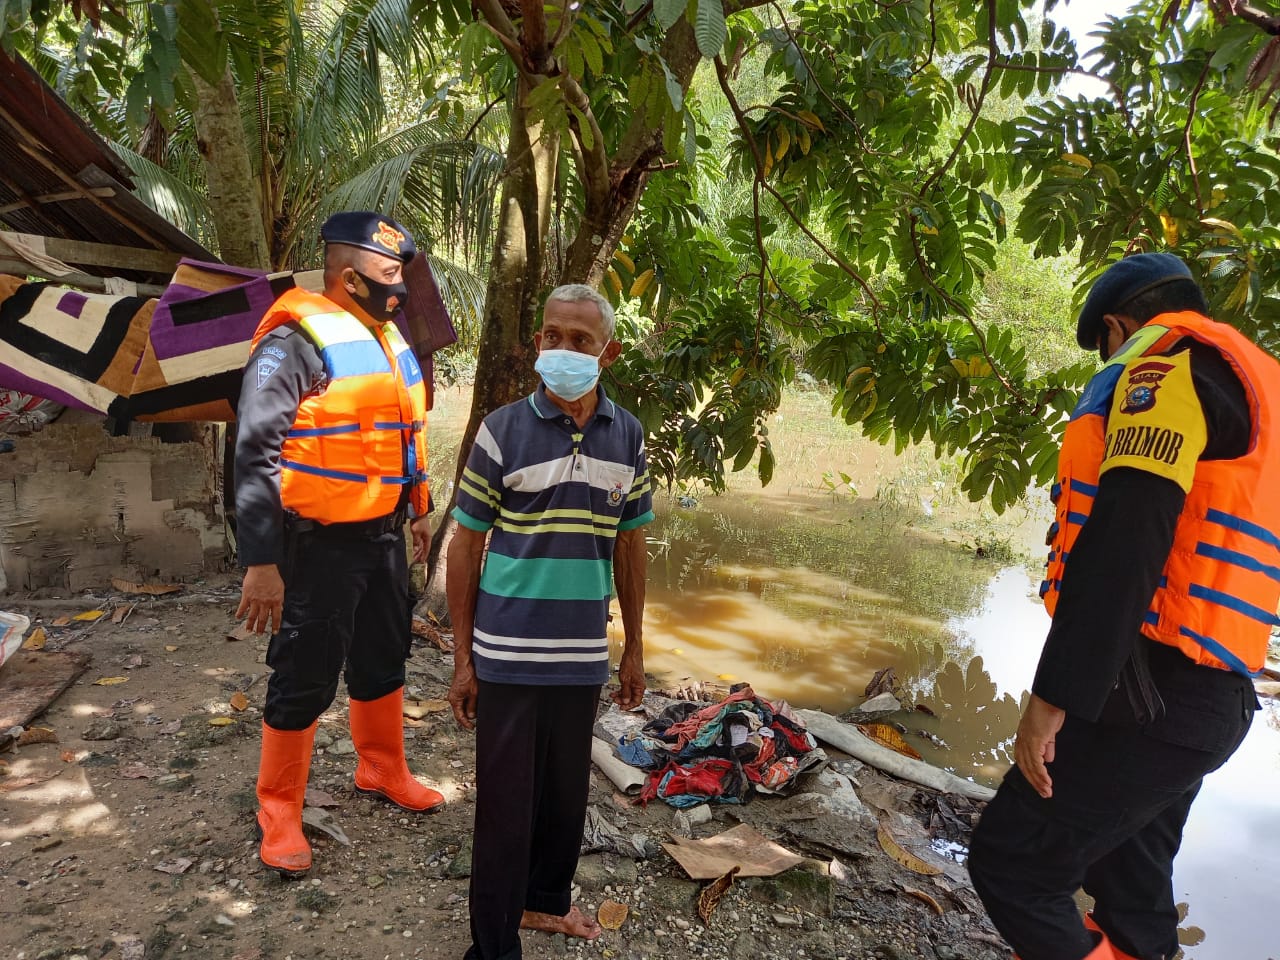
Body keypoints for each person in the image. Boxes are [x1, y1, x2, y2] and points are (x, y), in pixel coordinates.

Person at [967, 252, 1279, 960]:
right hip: (1215, 697)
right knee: (1132, 886)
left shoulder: (1164, 373)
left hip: (1152, 694)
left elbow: (1123, 546)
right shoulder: (1259, 387)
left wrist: (1051, 699)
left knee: (1013, 863)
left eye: (1104, 344)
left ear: (1117, 325)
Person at [446, 283, 654, 960]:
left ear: (608, 353)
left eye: (580, 340)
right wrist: (463, 661)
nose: (563, 349)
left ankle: (542, 904)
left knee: (565, 799)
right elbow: (467, 543)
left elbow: (630, 543)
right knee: (505, 810)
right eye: (552, 336)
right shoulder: (502, 429)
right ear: (538, 343)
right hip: (506, 653)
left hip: (580, 655)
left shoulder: (627, 435)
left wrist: (633, 651)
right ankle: (494, 947)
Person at [234, 211, 445, 877]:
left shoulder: (385, 337)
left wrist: (417, 509)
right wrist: (262, 562)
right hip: (317, 542)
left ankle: (381, 769)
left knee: (386, 653)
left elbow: (402, 435)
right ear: (349, 276)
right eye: (389, 276)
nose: (401, 289)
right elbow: (253, 454)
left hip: (383, 532)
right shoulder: (293, 341)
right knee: (306, 670)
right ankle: (279, 810)